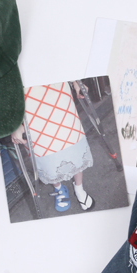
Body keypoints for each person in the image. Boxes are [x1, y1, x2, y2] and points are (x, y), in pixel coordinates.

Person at [11, 81, 94, 212]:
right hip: (28, 103)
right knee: (46, 158)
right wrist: (14, 123)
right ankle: (59, 188)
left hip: (58, 94)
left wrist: (75, 81)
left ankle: (79, 188)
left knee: (73, 147)